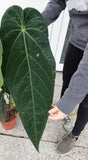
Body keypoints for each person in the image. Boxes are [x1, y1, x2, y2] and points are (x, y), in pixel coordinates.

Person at [42, 0, 88, 154]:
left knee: (86, 101)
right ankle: (64, 112)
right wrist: (37, 23)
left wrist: (68, 102)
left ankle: (75, 134)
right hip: (76, 40)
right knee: (67, 79)